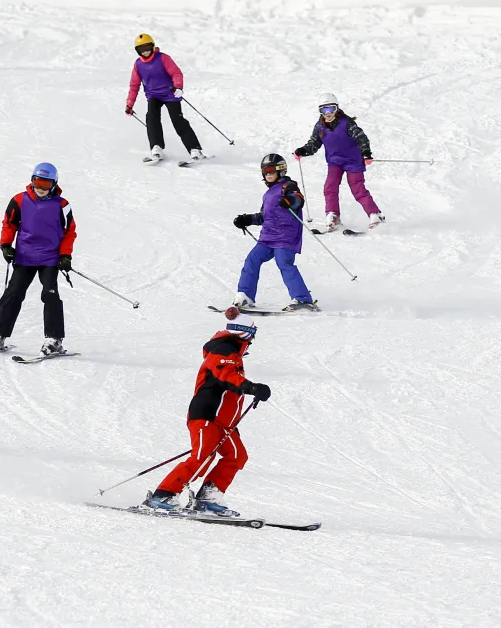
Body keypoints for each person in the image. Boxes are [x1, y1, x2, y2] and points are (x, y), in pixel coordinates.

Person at [142, 307, 272, 516]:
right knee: (201, 457)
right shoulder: (223, 350)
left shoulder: (232, 354)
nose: (251, 343)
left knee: (236, 455)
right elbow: (226, 375)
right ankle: (163, 495)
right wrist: (251, 387)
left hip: (224, 422)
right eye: (251, 337)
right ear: (245, 334)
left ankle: (208, 498)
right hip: (207, 415)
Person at [0, 163, 77, 357]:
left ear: (54, 184)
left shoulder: (62, 205)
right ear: (32, 180)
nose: (41, 188)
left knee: (50, 295)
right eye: (38, 182)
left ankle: (54, 339)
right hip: (25, 256)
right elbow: (9, 224)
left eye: (46, 184)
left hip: (50, 258)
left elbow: (69, 232)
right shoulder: (19, 200)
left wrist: (65, 255)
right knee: (13, 293)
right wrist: (6, 245)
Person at [231, 154, 317, 312]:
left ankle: (302, 299)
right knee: (252, 260)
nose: (268, 174)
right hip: (267, 237)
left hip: (285, 236)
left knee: (284, 263)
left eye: (271, 170)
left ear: (281, 170)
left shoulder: (288, 186)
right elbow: (263, 216)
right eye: (265, 171)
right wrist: (247, 219)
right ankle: (245, 296)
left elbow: (298, 199)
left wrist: (290, 200)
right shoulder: (268, 194)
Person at [293, 93, 385, 232]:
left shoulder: (347, 123)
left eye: (331, 108)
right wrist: (303, 150)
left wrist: (366, 152)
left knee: (357, 188)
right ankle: (333, 215)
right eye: (324, 109)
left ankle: (375, 215)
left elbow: (361, 138)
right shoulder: (320, 126)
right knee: (330, 187)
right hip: (335, 162)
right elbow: (314, 143)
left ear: (337, 108)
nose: (327, 113)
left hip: (353, 161)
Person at [124, 33, 204, 163]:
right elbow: (134, 86)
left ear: (152, 46)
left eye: (147, 47)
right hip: (153, 95)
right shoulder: (138, 64)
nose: (145, 51)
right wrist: (129, 104)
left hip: (170, 94)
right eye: (141, 49)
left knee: (177, 120)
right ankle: (156, 147)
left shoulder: (163, 58)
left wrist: (178, 87)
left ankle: (195, 149)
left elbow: (176, 73)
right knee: (151, 117)